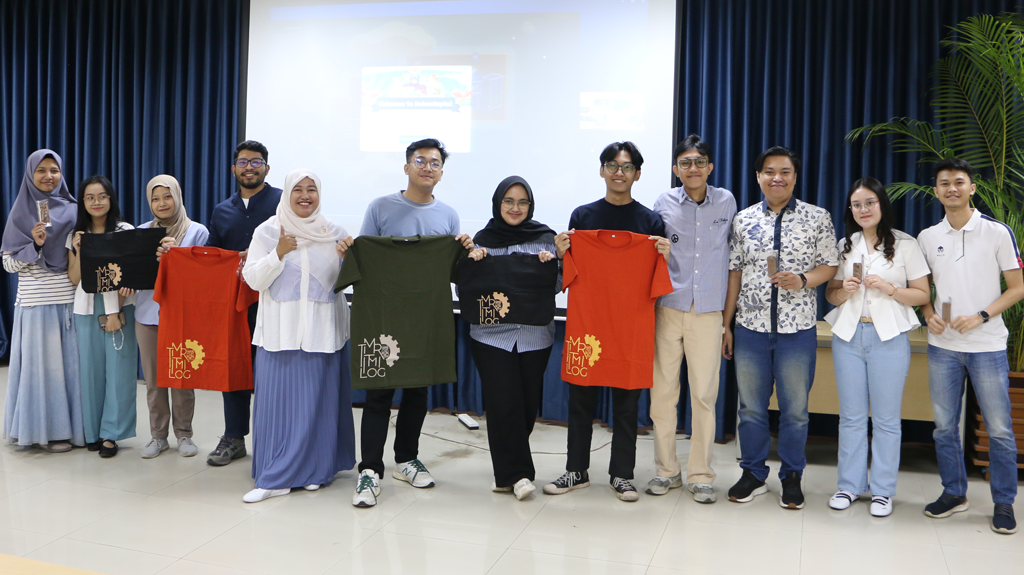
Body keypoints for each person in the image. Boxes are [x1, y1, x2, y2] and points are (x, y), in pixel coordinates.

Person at [343, 138, 474, 508]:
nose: (427, 167)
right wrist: (347, 249)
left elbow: (453, 270)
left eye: (435, 163)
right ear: (406, 167)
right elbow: (365, 254)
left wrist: (467, 250)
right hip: (384, 316)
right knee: (378, 393)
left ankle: (406, 459)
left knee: (418, 391)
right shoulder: (380, 207)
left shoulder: (448, 215)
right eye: (420, 160)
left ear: (442, 173)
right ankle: (370, 470)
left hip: (425, 318)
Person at [544, 141, 670, 502]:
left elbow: (659, 283)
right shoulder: (582, 218)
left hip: (631, 326)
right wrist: (561, 253)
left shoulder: (650, 222)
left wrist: (663, 254)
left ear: (638, 174)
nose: (619, 172)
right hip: (588, 324)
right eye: (612, 165)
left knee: (627, 405)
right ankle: (576, 470)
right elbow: (567, 274)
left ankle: (622, 474)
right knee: (579, 400)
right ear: (602, 170)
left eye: (627, 167)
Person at [724, 145, 838, 509]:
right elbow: (735, 273)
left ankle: (791, 475)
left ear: (795, 176)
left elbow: (830, 265)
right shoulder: (743, 219)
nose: (777, 178)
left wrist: (803, 280)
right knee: (751, 408)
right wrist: (727, 325)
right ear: (758, 176)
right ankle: (753, 473)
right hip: (750, 328)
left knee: (795, 411)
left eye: (785, 171)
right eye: (769, 171)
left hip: (797, 330)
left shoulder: (817, 217)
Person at [917, 158, 1023, 534]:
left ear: (972, 188)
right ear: (936, 191)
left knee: (999, 428)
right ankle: (954, 492)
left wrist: (981, 315)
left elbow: (1018, 287)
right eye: (944, 183)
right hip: (942, 345)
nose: (952, 188)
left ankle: (1004, 502)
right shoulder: (927, 237)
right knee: (944, 427)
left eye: (959, 182)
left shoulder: (996, 232)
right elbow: (922, 289)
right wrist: (928, 313)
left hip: (987, 345)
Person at [240, 169, 355, 502]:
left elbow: (345, 282)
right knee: (278, 408)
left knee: (317, 406)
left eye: (312, 189)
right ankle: (274, 477)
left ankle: (315, 470)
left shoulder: (334, 233)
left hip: (322, 333)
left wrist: (346, 259)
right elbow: (253, 279)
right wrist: (278, 253)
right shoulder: (268, 231)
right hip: (280, 334)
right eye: (298, 189)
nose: (305, 196)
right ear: (287, 193)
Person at [823, 177, 930, 517]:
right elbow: (831, 295)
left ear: (882, 204)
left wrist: (888, 288)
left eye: (869, 202)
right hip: (849, 336)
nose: (863, 209)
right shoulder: (845, 244)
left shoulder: (906, 244)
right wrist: (844, 291)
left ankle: (882, 490)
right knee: (851, 417)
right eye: (857, 205)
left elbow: (923, 295)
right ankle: (849, 485)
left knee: (886, 419)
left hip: (889, 337)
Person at [648, 135, 737, 503]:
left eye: (700, 161)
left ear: (710, 167)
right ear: (676, 169)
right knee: (662, 394)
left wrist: (727, 322)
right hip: (669, 307)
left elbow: (733, 262)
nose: (693, 168)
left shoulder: (726, 201)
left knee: (703, 395)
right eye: (685, 162)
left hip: (708, 312)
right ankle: (666, 470)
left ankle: (700, 474)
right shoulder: (663, 203)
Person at [464, 176, 559, 501]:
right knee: (503, 404)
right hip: (491, 336)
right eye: (508, 201)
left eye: (522, 202)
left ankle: (507, 473)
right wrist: (471, 263)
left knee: (526, 407)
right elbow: (468, 287)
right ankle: (517, 475)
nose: (515, 208)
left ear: (530, 205)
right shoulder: (483, 239)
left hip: (535, 336)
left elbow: (558, 285)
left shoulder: (546, 238)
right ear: (498, 203)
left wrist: (552, 267)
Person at [205, 140, 282, 467]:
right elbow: (212, 256)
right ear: (233, 168)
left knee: (273, 373)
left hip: (276, 302)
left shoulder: (283, 203)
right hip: (236, 306)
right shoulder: (222, 210)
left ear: (267, 167)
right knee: (234, 368)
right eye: (243, 162)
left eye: (256, 161)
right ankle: (234, 437)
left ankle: (273, 439)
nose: (249, 167)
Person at [1, 149, 83, 452]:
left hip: (69, 301)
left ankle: (71, 431)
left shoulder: (74, 210)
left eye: (54, 170)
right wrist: (34, 247)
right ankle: (42, 433)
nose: (49, 176)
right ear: (30, 174)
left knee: (70, 370)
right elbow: (8, 265)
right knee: (41, 372)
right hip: (35, 305)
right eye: (41, 170)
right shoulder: (20, 211)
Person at [134, 175, 209, 459]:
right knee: (153, 382)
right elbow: (134, 271)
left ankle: (184, 434)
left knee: (181, 379)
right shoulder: (142, 232)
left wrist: (175, 255)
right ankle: (158, 436)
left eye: (167, 196)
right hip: (147, 315)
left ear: (177, 197)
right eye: (155, 198)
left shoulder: (196, 232)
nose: (162, 203)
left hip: (182, 316)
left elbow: (201, 276)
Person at [67, 176, 139, 458]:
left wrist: (115, 312)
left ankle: (111, 434)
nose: (96, 202)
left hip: (119, 307)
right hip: (86, 307)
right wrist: (79, 250)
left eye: (102, 196)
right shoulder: (77, 234)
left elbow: (129, 275)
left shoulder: (125, 230)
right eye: (90, 197)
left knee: (119, 371)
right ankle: (92, 432)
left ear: (111, 199)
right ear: (83, 202)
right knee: (90, 372)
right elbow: (75, 278)